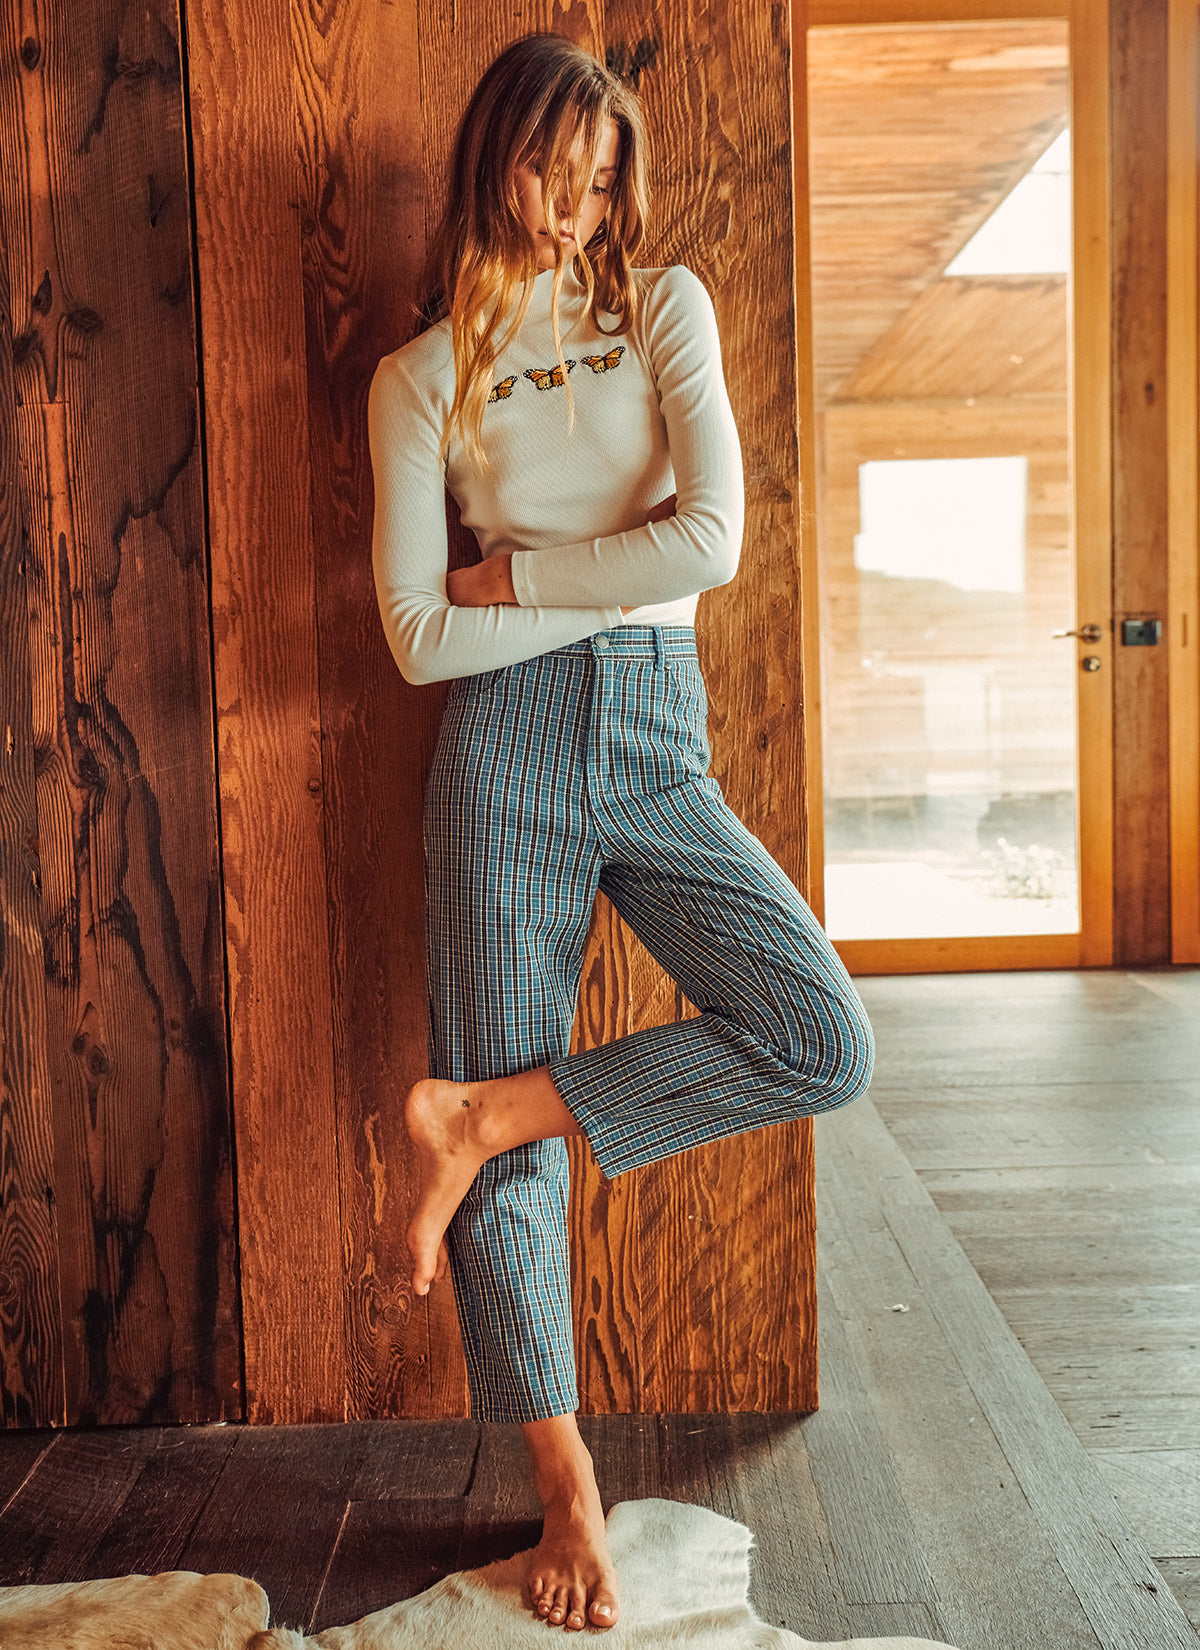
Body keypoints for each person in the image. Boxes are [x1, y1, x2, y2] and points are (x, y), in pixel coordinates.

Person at [367, 32, 875, 1634]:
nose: (573, 208)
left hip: (658, 735)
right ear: (495, 160)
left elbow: (710, 541)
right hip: (500, 751)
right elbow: (413, 636)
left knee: (820, 1033)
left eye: (599, 183)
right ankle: (565, 1485)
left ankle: (483, 1113)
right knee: (508, 1142)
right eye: (548, 171)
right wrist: (602, 577)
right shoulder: (418, 377)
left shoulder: (663, 309)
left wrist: (516, 575)